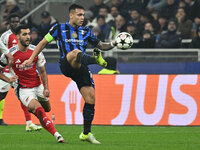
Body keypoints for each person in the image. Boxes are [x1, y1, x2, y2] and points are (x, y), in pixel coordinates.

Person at [22, 4, 117, 144]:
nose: (82, 18)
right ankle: (95, 60)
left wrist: (116, 42)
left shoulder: (86, 31)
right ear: (71, 15)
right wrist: (31, 59)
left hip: (81, 66)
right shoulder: (59, 28)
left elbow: (102, 46)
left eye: (83, 15)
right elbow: (42, 43)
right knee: (75, 52)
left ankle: (86, 133)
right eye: (79, 15)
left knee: (91, 99)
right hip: (66, 64)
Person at [0, 24, 65, 143]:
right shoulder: (10, 54)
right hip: (23, 89)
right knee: (39, 110)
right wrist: (8, 80)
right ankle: (58, 135)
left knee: (47, 108)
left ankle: (33, 108)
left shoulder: (36, 51)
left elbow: (43, 71)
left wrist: (46, 88)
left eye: (29, 34)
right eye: (24, 34)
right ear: (18, 36)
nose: (28, 37)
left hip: (38, 85)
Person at [0, 13, 42, 130]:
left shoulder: (21, 35)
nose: (15, 23)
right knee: (2, 95)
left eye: (17, 21)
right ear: (9, 23)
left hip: (18, 71)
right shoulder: (5, 36)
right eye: (13, 21)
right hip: (7, 70)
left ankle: (29, 123)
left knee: (24, 95)